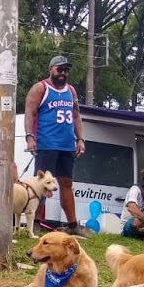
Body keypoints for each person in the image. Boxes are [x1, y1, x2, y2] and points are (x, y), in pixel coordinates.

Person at [24, 55, 88, 236]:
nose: (63, 73)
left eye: (66, 70)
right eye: (60, 69)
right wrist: (30, 137)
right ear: (51, 69)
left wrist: (80, 139)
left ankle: (73, 225)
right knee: (41, 184)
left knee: (66, 183)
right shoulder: (40, 88)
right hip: (46, 143)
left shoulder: (71, 91)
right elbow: (29, 112)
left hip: (67, 145)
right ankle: (35, 223)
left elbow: (76, 116)